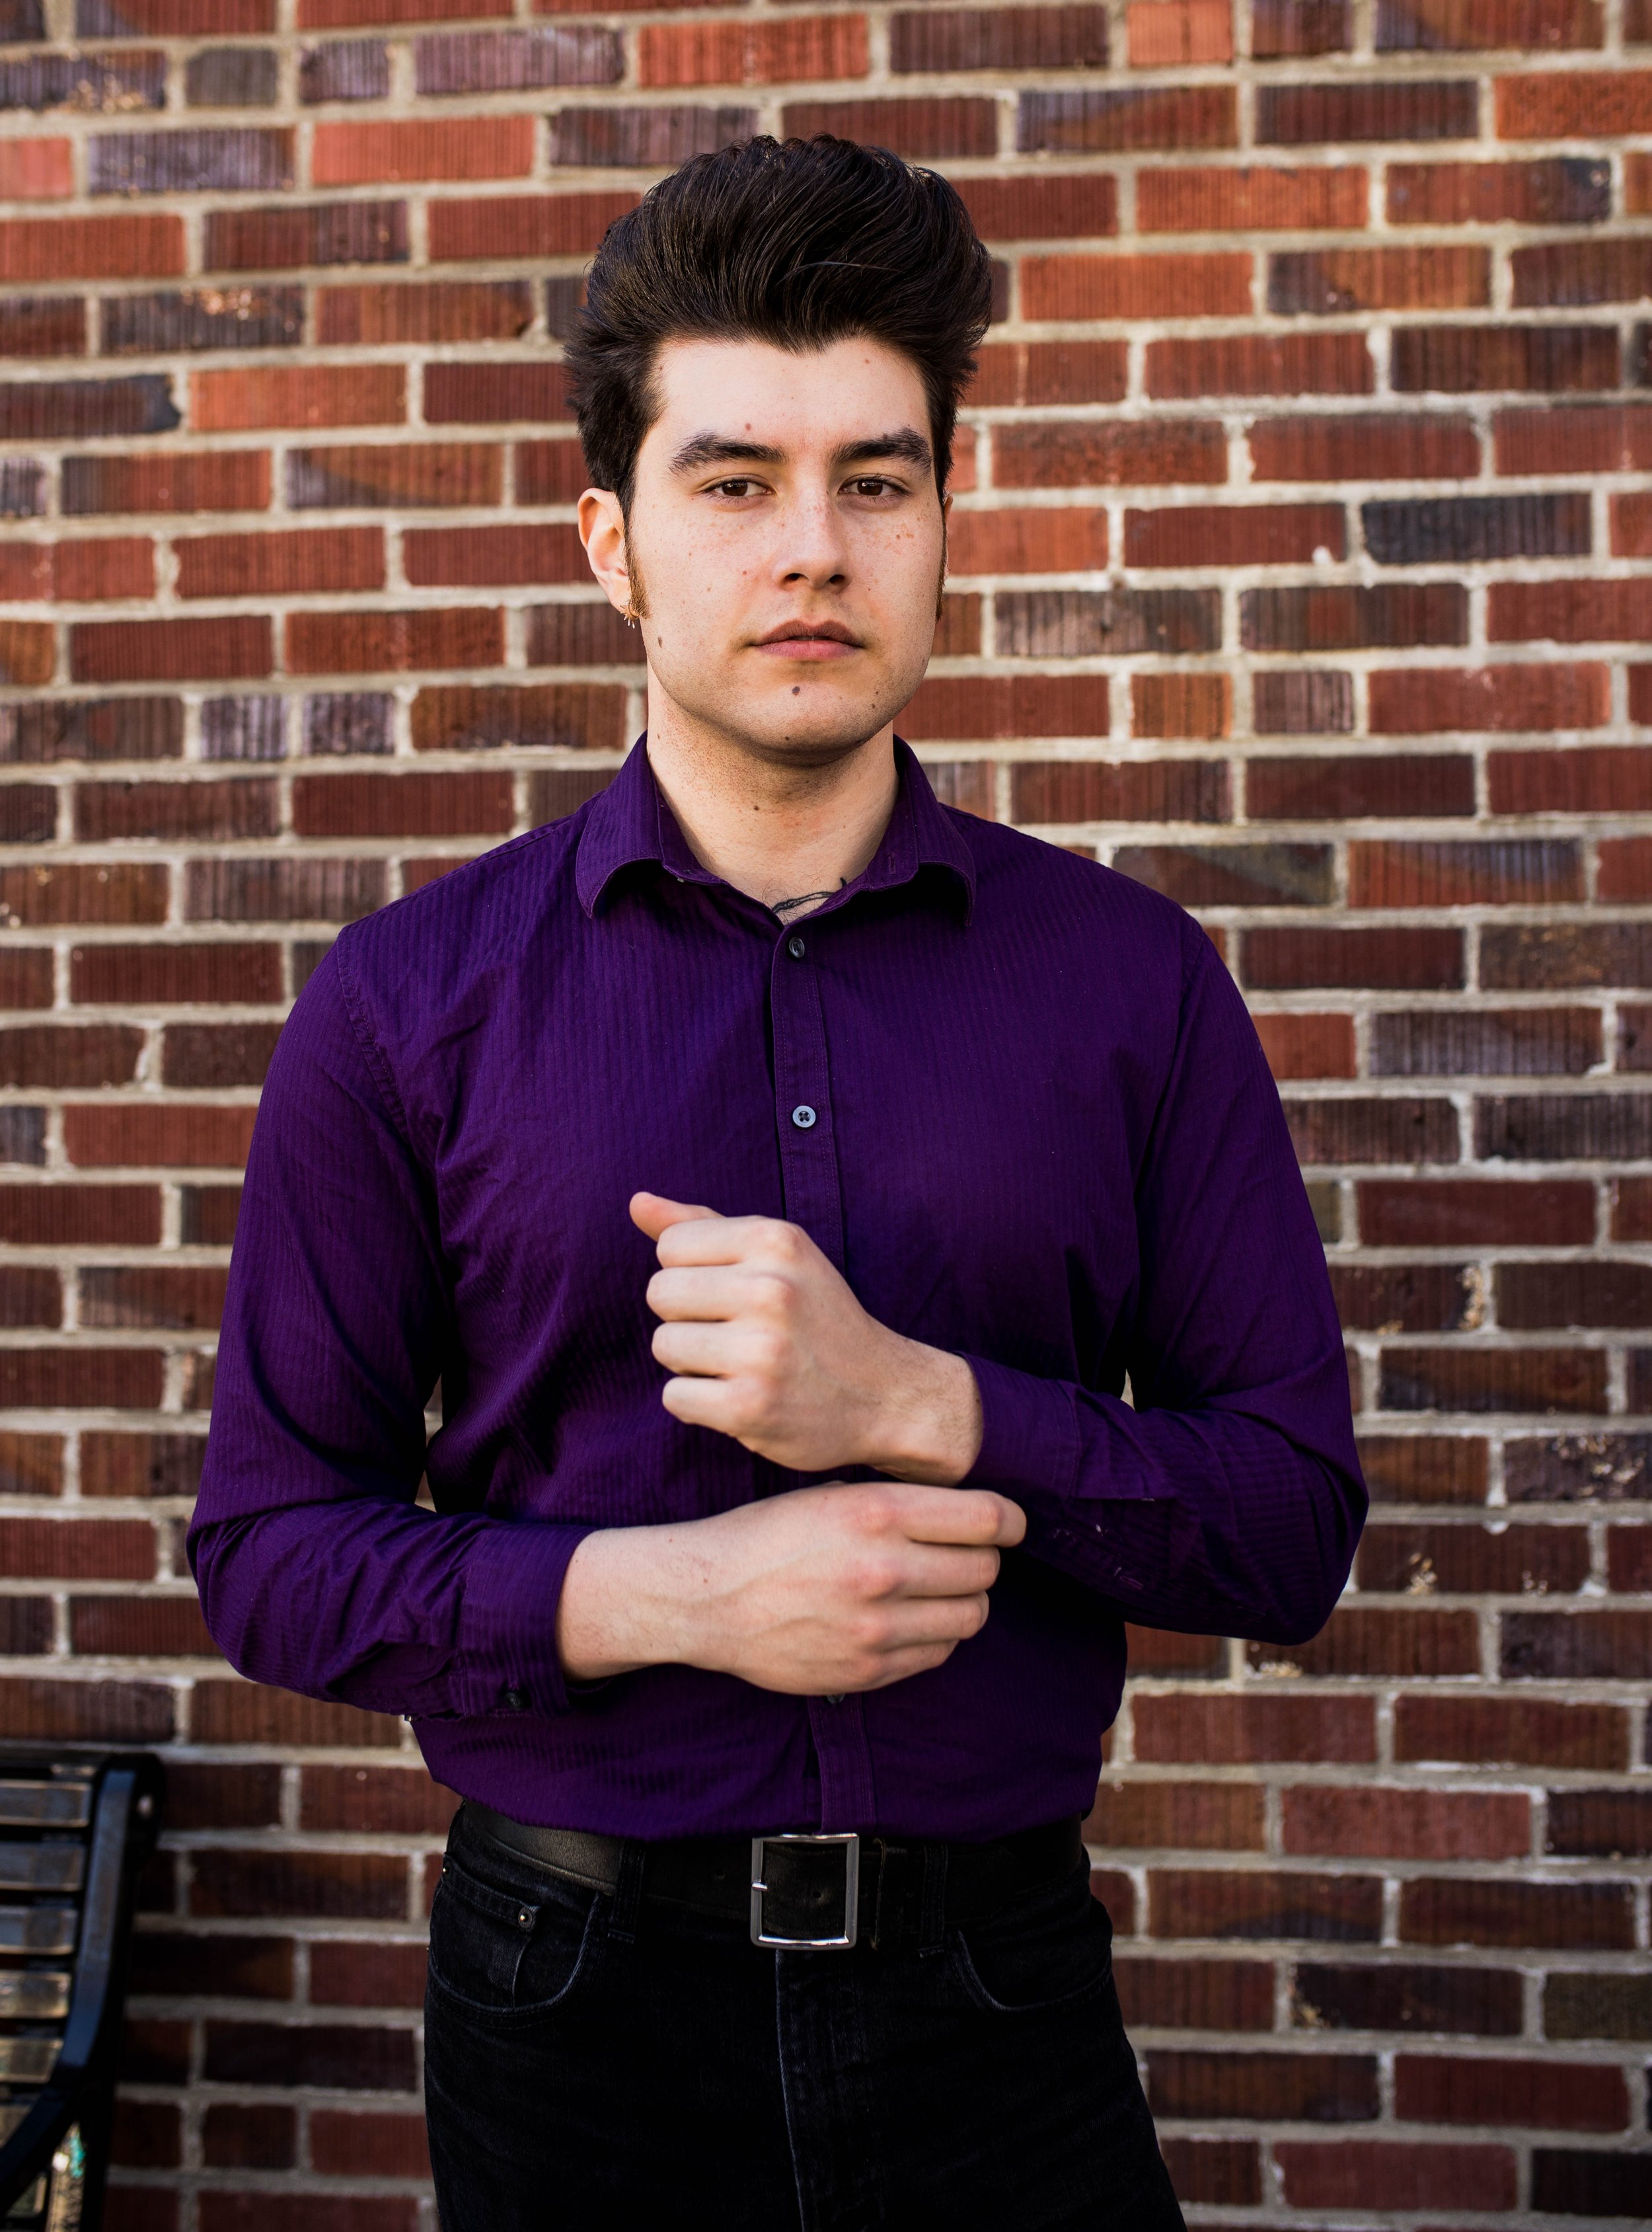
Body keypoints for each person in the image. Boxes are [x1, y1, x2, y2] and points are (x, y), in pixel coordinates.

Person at [190, 134, 1365, 2231]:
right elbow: (271, 1545)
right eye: (733, 482)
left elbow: (1286, 1525)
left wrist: (927, 1406)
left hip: (997, 1998)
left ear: (941, 523)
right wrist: (664, 1597)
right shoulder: (407, 1007)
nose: (810, 549)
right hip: (574, 2004)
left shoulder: (1130, 988)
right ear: (609, 542)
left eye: (875, 480)